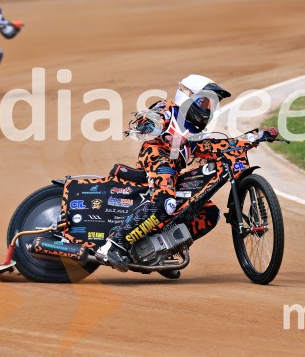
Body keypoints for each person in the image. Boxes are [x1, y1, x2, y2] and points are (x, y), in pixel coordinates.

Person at [95, 74, 278, 272]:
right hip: (157, 158)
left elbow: (222, 146)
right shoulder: (167, 110)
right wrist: (166, 135)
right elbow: (145, 122)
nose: (208, 109)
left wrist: (258, 136)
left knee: (209, 213)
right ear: (187, 97)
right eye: (204, 102)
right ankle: (114, 245)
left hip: (173, 173)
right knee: (165, 201)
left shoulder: (197, 134)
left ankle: (163, 251)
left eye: (211, 105)